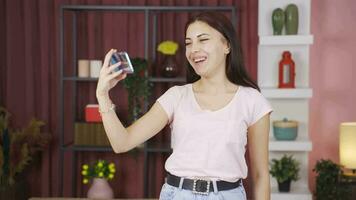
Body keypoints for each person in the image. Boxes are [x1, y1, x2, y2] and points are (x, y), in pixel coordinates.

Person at [96, 11, 272, 200]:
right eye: (188, 43)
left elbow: (261, 176)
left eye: (202, 40)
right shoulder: (176, 96)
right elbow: (122, 142)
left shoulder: (252, 101)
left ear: (227, 45)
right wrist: (102, 95)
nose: (193, 49)